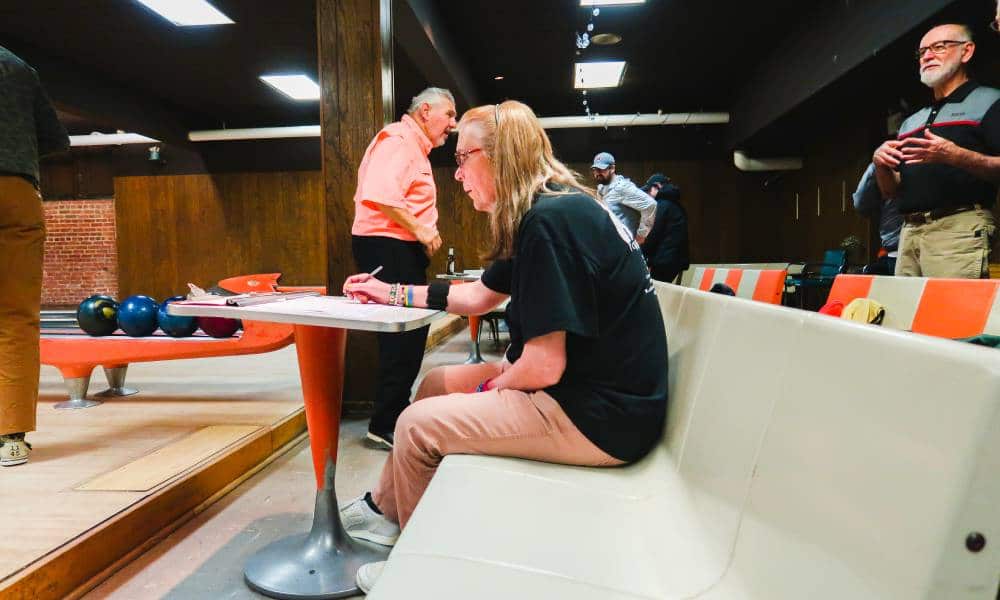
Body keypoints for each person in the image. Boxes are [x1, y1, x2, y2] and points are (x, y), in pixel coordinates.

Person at [339, 100, 668, 593]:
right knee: (433, 384)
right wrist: (388, 292)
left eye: (462, 158)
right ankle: (386, 512)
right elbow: (477, 295)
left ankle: (426, 571)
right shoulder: (547, 206)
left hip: (599, 416)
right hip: (595, 393)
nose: (457, 175)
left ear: (498, 156)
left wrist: (489, 390)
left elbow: (542, 365)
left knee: (415, 425)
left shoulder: (549, 223)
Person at [351, 87, 457, 449]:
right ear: (425, 111)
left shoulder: (415, 146)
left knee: (409, 338)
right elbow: (380, 194)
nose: (453, 124)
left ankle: (392, 415)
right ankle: (384, 423)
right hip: (387, 245)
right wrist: (422, 229)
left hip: (399, 248)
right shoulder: (399, 140)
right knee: (402, 340)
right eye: (449, 115)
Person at [872, 23, 1000, 278]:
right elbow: (891, 191)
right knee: (905, 316)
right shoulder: (911, 121)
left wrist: (956, 155)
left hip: (958, 229)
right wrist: (880, 165)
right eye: (922, 52)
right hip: (908, 233)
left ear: (967, 52)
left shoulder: (991, 102)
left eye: (939, 47)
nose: (927, 55)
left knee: (952, 316)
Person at [0, 46, 69, 467]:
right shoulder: (17, 65)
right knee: (15, 316)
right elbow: (54, 139)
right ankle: (11, 437)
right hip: (17, 194)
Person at [590, 152, 657, 243]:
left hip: (623, 245)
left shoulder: (622, 187)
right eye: (595, 169)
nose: (597, 173)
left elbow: (650, 205)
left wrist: (641, 235)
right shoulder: (602, 188)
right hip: (609, 243)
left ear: (612, 168)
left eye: (601, 169)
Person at [852, 163, 902, 275]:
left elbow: (861, 204)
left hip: (898, 245)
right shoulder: (941, 153)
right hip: (939, 241)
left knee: (902, 291)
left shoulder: (884, 159)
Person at [640, 173, 689, 283]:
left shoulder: (661, 205)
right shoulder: (674, 204)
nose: (647, 194)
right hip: (673, 260)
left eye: (649, 190)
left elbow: (653, 234)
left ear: (657, 186)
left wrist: (640, 253)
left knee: (654, 294)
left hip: (665, 261)